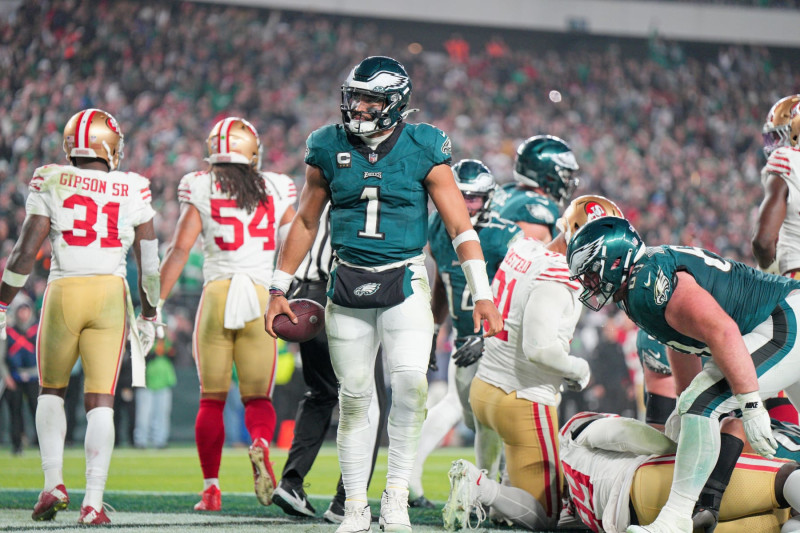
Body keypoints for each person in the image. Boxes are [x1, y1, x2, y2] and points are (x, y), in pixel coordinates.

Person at [264, 56, 503, 533]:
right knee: (354, 399)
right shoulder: (328, 146)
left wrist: (483, 293)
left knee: (411, 386)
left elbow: (459, 225)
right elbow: (307, 221)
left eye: (370, 98)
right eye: (355, 96)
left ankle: (394, 498)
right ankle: (355, 507)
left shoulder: (423, 145)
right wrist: (277, 286)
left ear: (396, 103)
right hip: (346, 281)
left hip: (404, 278)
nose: (358, 106)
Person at [566, 216, 800, 533]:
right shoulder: (635, 285)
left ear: (615, 259)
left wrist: (750, 403)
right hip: (779, 315)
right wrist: (683, 406)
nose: (589, 283)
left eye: (592, 273)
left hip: (783, 317)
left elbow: (722, 330)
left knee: (703, 401)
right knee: (695, 403)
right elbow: (683, 342)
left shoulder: (649, 280)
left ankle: (675, 518)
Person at [0, 108, 159, 524]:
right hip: (109, 293)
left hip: (64, 289)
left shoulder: (51, 176)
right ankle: (92, 501)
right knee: (100, 402)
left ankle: (53, 482)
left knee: (50, 391)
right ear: (111, 147)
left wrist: (1, 302)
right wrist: (150, 314)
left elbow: (24, 249)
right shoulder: (132, 186)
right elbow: (150, 262)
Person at [442, 194, 620, 531]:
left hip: (485, 387)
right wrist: (578, 369)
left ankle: (494, 499)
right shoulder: (558, 278)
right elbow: (538, 349)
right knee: (547, 517)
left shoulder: (525, 247)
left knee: (513, 480)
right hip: (522, 400)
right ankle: (480, 487)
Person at [159, 117, 297, 511]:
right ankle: (259, 444)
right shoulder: (275, 186)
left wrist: (154, 305)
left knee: (211, 400)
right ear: (252, 152)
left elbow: (180, 249)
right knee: (258, 399)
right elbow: (298, 234)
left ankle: (211, 489)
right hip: (260, 295)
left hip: (217, 293)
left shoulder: (200, 185)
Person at [409, 159, 521, 508]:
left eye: (476, 198)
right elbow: (443, 283)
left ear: (489, 198)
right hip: (464, 339)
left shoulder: (506, 235)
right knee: (473, 412)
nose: (469, 204)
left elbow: (519, 295)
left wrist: (488, 336)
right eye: (464, 196)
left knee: (477, 414)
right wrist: (430, 331)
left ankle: (474, 488)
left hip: (500, 339)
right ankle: (482, 491)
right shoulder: (439, 229)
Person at [272, 203, 387, 523]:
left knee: (319, 394)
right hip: (342, 297)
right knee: (371, 401)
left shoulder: (316, 195)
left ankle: (291, 483)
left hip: (302, 298)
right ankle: (347, 500)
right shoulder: (357, 193)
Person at [559, 412, 800, 533]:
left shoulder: (574, 508)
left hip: (636, 521)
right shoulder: (570, 432)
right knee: (785, 477)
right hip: (652, 485)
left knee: (781, 523)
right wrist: (686, 454)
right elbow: (622, 432)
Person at [490, 135, 579, 241]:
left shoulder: (507, 190)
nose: (568, 181)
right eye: (566, 175)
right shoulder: (537, 208)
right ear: (549, 175)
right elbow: (524, 255)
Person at [753, 94, 800, 276]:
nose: (774, 145)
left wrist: (768, 269)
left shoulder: (787, 160)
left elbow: (763, 242)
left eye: (779, 136)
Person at [4, 299, 39, 454]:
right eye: (20, 310)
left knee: (37, 411)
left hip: (34, 375)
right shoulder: (9, 331)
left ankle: (41, 444)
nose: (23, 313)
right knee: (15, 412)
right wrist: (6, 376)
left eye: (26, 310)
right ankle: (17, 444)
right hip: (14, 376)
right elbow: (1, 356)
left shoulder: (37, 329)